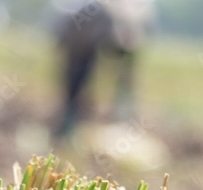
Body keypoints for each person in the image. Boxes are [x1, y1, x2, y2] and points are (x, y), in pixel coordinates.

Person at [52, 0, 155, 139]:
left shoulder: (128, 11)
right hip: (84, 46)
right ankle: (71, 123)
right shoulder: (95, 12)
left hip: (86, 44)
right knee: (77, 86)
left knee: (119, 87)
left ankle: (73, 123)